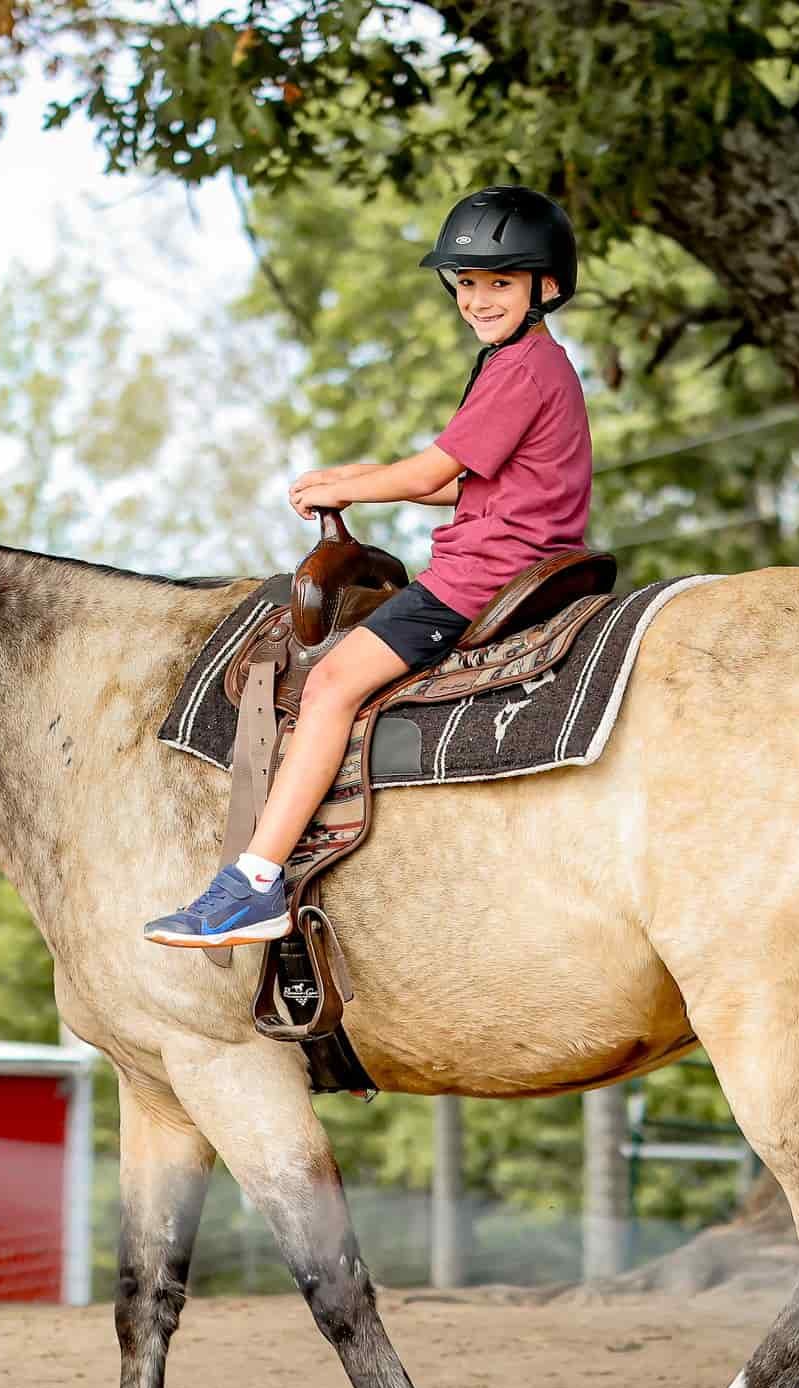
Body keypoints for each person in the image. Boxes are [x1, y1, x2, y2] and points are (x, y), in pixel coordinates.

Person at [144, 186, 594, 948]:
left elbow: (428, 475)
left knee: (328, 685)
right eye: (470, 283)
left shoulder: (520, 368)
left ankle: (253, 883)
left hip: (481, 574)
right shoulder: (530, 364)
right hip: (522, 552)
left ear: (545, 286)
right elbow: (467, 481)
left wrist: (350, 483)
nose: (479, 299)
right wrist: (366, 473)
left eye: (501, 282)